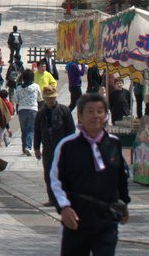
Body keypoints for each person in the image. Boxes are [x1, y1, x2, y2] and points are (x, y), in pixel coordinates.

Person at [49, 92, 130, 256]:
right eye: (90, 111)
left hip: (107, 218)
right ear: (80, 115)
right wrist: (64, 207)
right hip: (77, 219)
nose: (96, 116)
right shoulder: (67, 145)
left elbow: (121, 177)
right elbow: (55, 180)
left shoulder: (114, 143)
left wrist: (124, 203)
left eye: (100, 111)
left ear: (106, 115)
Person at [35, 85, 76, 206]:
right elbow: (37, 131)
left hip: (62, 147)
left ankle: (64, 197)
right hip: (48, 147)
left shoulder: (64, 111)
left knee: (63, 173)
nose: (50, 100)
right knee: (48, 173)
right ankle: (52, 198)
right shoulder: (40, 113)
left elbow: (71, 130)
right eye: (48, 98)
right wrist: (36, 147)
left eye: (52, 98)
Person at [14, 69, 40, 157]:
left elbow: (15, 99)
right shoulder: (36, 86)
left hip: (22, 110)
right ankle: (28, 147)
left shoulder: (19, 88)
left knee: (23, 129)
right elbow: (40, 98)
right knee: (31, 129)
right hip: (33, 109)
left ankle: (24, 147)